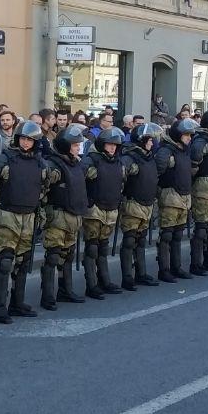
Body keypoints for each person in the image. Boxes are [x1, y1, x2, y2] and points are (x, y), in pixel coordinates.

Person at [0, 120, 48, 322]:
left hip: (29, 217)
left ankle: (17, 303)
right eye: (23, 138)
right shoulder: (4, 160)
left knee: (23, 262)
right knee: (5, 262)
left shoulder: (40, 163)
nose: (26, 142)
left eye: (30, 139)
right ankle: (0, 307)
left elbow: (43, 190)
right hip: (8, 216)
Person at [40, 124, 90, 308]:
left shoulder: (75, 163)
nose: (79, 147)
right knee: (53, 256)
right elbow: (42, 188)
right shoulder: (53, 165)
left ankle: (65, 290)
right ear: (65, 145)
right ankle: (47, 295)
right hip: (58, 217)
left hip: (74, 216)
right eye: (75, 144)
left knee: (67, 256)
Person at [81, 127, 126, 298]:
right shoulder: (91, 160)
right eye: (109, 144)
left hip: (111, 208)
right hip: (94, 209)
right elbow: (79, 179)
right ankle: (91, 285)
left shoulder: (118, 162)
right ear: (102, 145)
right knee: (92, 247)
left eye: (115, 145)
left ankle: (104, 280)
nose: (113, 148)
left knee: (103, 246)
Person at [155, 117, 199, 280]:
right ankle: (164, 270)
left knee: (178, 234)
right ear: (177, 135)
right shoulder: (166, 151)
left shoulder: (184, 150)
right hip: (169, 197)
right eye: (186, 135)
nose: (189, 138)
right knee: (166, 235)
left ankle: (176, 267)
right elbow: (157, 175)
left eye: (190, 135)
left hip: (184, 197)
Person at [119, 123, 162, 289]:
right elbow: (120, 180)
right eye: (149, 140)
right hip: (132, 204)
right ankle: (127, 277)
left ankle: (141, 273)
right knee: (129, 241)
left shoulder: (148, 156)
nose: (152, 143)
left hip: (147, 204)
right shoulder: (129, 158)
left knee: (141, 240)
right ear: (141, 140)